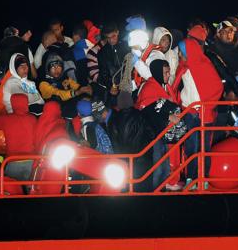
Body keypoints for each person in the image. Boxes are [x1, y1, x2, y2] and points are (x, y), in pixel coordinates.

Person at [174, 38, 224, 187]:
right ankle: (191, 177)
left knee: (204, 147)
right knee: (191, 147)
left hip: (204, 113)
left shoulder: (205, 65)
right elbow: (177, 88)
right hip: (189, 112)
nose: (179, 56)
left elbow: (217, 88)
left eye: (181, 53)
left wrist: (207, 105)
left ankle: (204, 178)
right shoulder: (182, 68)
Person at [136, 59, 186, 190]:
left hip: (161, 132)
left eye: (169, 72)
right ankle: (155, 195)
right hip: (153, 135)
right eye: (166, 72)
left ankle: (161, 192)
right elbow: (147, 110)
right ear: (158, 72)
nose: (168, 75)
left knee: (163, 167)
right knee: (158, 168)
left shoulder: (161, 86)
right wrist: (168, 116)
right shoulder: (149, 87)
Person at [38, 53, 92, 118]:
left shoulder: (64, 77)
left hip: (67, 105)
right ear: (48, 69)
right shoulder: (43, 83)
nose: (56, 69)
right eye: (53, 67)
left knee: (88, 97)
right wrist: (77, 92)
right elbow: (59, 94)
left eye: (58, 66)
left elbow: (76, 86)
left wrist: (86, 89)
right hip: (55, 112)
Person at [96, 22, 129, 106]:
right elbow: (103, 72)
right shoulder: (102, 53)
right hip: (113, 89)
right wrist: (110, 86)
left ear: (117, 32)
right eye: (108, 37)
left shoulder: (126, 47)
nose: (111, 40)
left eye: (113, 36)